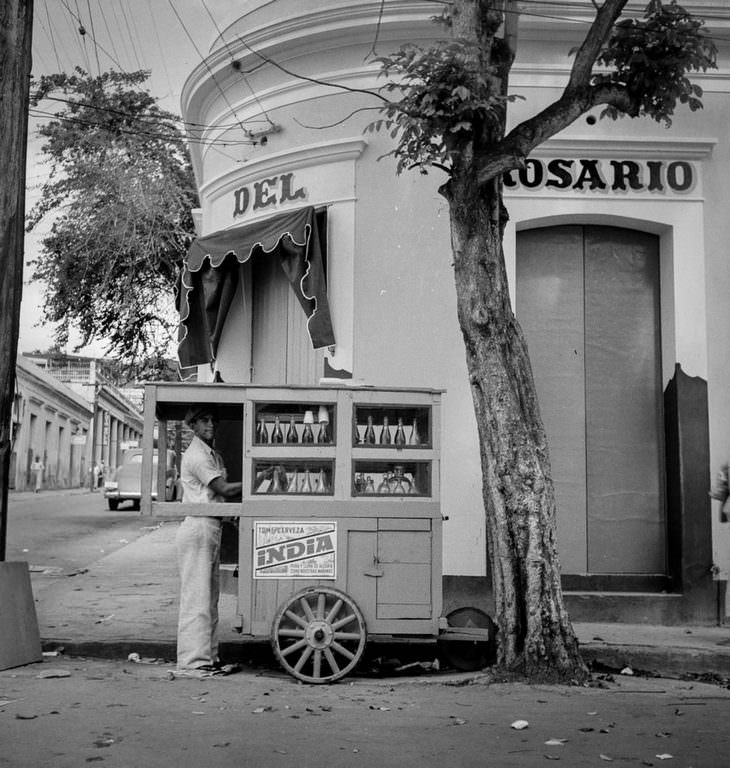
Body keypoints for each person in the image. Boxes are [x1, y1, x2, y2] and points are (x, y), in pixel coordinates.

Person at [175, 404, 242, 678]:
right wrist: (256, 478)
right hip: (198, 528)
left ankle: (209, 658)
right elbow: (223, 489)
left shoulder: (212, 455)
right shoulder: (197, 456)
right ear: (193, 425)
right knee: (197, 598)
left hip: (211, 526)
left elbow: (218, 497)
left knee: (210, 598)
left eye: (213, 420)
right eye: (204, 421)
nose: (210, 425)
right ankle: (193, 661)